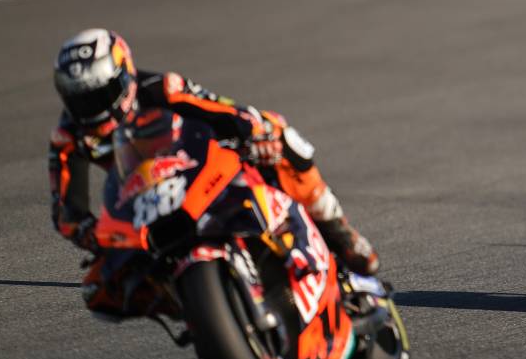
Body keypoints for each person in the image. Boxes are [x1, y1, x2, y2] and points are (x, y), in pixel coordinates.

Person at [49, 29, 378, 311]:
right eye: (81, 102)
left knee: (282, 135)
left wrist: (257, 133)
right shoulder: (68, 137)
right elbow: (67, 212)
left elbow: (226, 111)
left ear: (125, 75)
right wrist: (96, 237)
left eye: (102, 94)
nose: (94, 110)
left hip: (202, 172)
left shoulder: (163, 88)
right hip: (143, 207)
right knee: (97, 290)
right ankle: (198, 309)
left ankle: (336, 228)